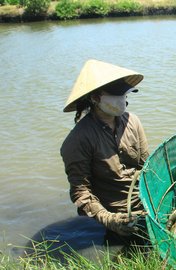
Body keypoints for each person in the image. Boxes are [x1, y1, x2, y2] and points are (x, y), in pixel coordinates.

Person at [60, 59, 150, 248]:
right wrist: (110, 220)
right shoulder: (78, 139)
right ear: (95, 97)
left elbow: (147, 166)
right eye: (115, 96)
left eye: (124, 95)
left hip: (145, 204)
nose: (123, 100)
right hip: (115, 214)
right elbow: (80, 192)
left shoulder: (133, 121)